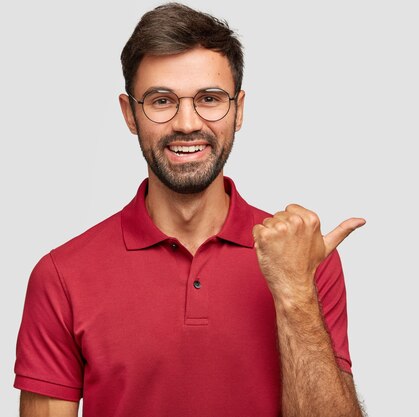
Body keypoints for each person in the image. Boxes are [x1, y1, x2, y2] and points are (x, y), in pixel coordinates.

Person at [14, 3, 365, 417]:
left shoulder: (304, 259)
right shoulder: (62, 276)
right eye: (161, 100)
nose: (186, 123)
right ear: (130, 114)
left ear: (238, 110)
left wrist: (294, 292)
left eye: (210, 99)